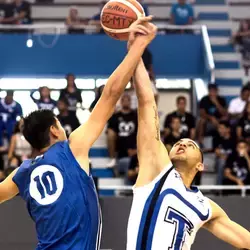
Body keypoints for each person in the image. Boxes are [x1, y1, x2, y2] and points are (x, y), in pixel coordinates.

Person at [0, 17, 157, 249]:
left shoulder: (22, 172)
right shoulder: (72, 148)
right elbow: (111, 93)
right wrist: (137, 46)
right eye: (59, 125)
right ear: (54, 130)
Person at [126, 35, 250, 249]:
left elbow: (244, 240)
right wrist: (136, 52)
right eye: (178, 143)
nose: (182, 143)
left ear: (201, 165)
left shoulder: (205, 207)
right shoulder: (155, 171)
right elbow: (147, 104)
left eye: (191, 144)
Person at [107, 94, 138, 173]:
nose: (126, 102)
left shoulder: (135, 115)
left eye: (128, 100)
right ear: (121, 102)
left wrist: (136, 149)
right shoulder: (116, 116)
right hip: (120, 144)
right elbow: (109, 129)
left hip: (133, 144)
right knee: (110, 133)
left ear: (130, 102)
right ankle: (112, 158)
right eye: (124, 100)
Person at [213, 121, 235, 185]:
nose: (219, 130)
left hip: (232, 162)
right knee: (222, 162)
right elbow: (217, 153)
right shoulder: (216, 139)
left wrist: (227, 158)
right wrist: (226, 157)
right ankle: (219, 188)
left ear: (228, 129)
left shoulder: (234, 140)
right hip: (220, 161)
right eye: (219, 128)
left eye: (222, 128)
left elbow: (235, 155)